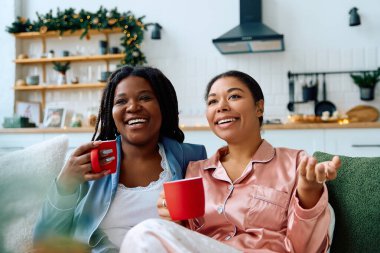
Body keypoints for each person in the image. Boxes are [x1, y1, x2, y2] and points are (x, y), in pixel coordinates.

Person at [121, 70, 341, 253]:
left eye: (234, 96)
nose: (221, 106)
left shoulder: (295, 163)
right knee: (146, 235)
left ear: (259, 107)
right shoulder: (197, 171)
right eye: (212, 101)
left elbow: (307, 249)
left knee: (145, 232)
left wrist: (309, 193)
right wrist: (173, 221)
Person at [33, 66, 207, 252]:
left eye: (145, 98)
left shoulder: (191, 158)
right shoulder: (88, 164)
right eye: (121, 101)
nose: (132, 107)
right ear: (111, 112)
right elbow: (45, 242)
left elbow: (208, 228)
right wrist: (65, 184)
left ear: (163, 106)